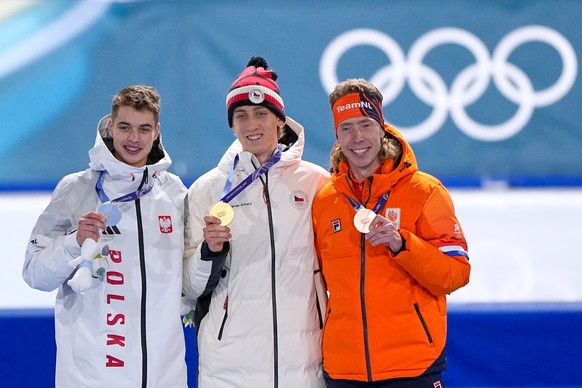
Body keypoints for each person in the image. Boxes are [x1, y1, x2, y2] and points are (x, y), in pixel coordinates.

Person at [23, 85, 188, 387]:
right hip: (91, 376)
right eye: (125, 127)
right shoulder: (76, 189)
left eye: (143, 129)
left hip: (163, 376)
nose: (134, 138)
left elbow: (191, 280)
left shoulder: (174, 193)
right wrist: (73, 242)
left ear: (157, 131)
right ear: (111, 127)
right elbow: (34, 274)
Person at [311, 78, 471, 387]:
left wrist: (403, 244)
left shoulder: (425, 191)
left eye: (365, 125)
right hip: (344, 369)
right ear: (337, 136)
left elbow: (456, 274)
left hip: (412, 366)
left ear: (381, 128)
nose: (357, 137)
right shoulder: (325, 200)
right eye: (346, 128)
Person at [182, 56, 329, 387]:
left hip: (303, 364)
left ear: (280, 120)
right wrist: (210, 250)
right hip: (229, 368)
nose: (252, 124)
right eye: (241, 115)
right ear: (231, 125)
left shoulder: (317, 184)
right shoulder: (208, 190)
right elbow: (189, 289)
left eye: (262, 113)